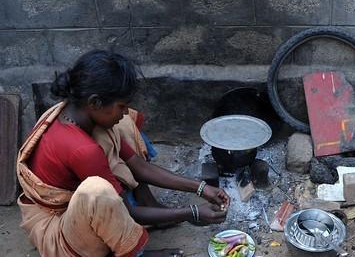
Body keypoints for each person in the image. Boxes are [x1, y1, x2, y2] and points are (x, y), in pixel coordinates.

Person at [16, 50, 230, 257]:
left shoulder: (79, 113)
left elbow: (139, 166)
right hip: (60, 232)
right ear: (95, 102)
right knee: (100, 191)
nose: (126, 111)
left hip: (78, 199)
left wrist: (201, 188)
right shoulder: (84, 150)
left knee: (124, 126)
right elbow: (125, 212)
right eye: (121, 105)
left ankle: (151, 207)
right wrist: (191, 213)